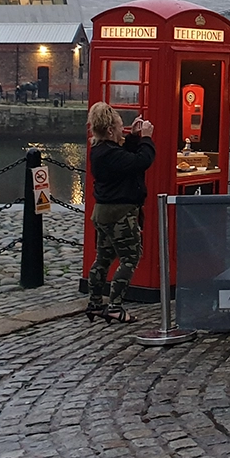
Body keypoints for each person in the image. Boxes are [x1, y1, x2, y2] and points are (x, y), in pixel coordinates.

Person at [85, 102, 155, 323]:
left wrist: (134, 137)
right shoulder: (109, 154)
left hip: (102, 213)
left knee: (103, 259)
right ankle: (115, 306)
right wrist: (146, 138)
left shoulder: (101, 150)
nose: (122, 130)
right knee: (130, 258)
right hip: (120, 214)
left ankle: (95, 304)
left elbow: (126, 157)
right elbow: (142, 161)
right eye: (119, 127)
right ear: (109, 130)